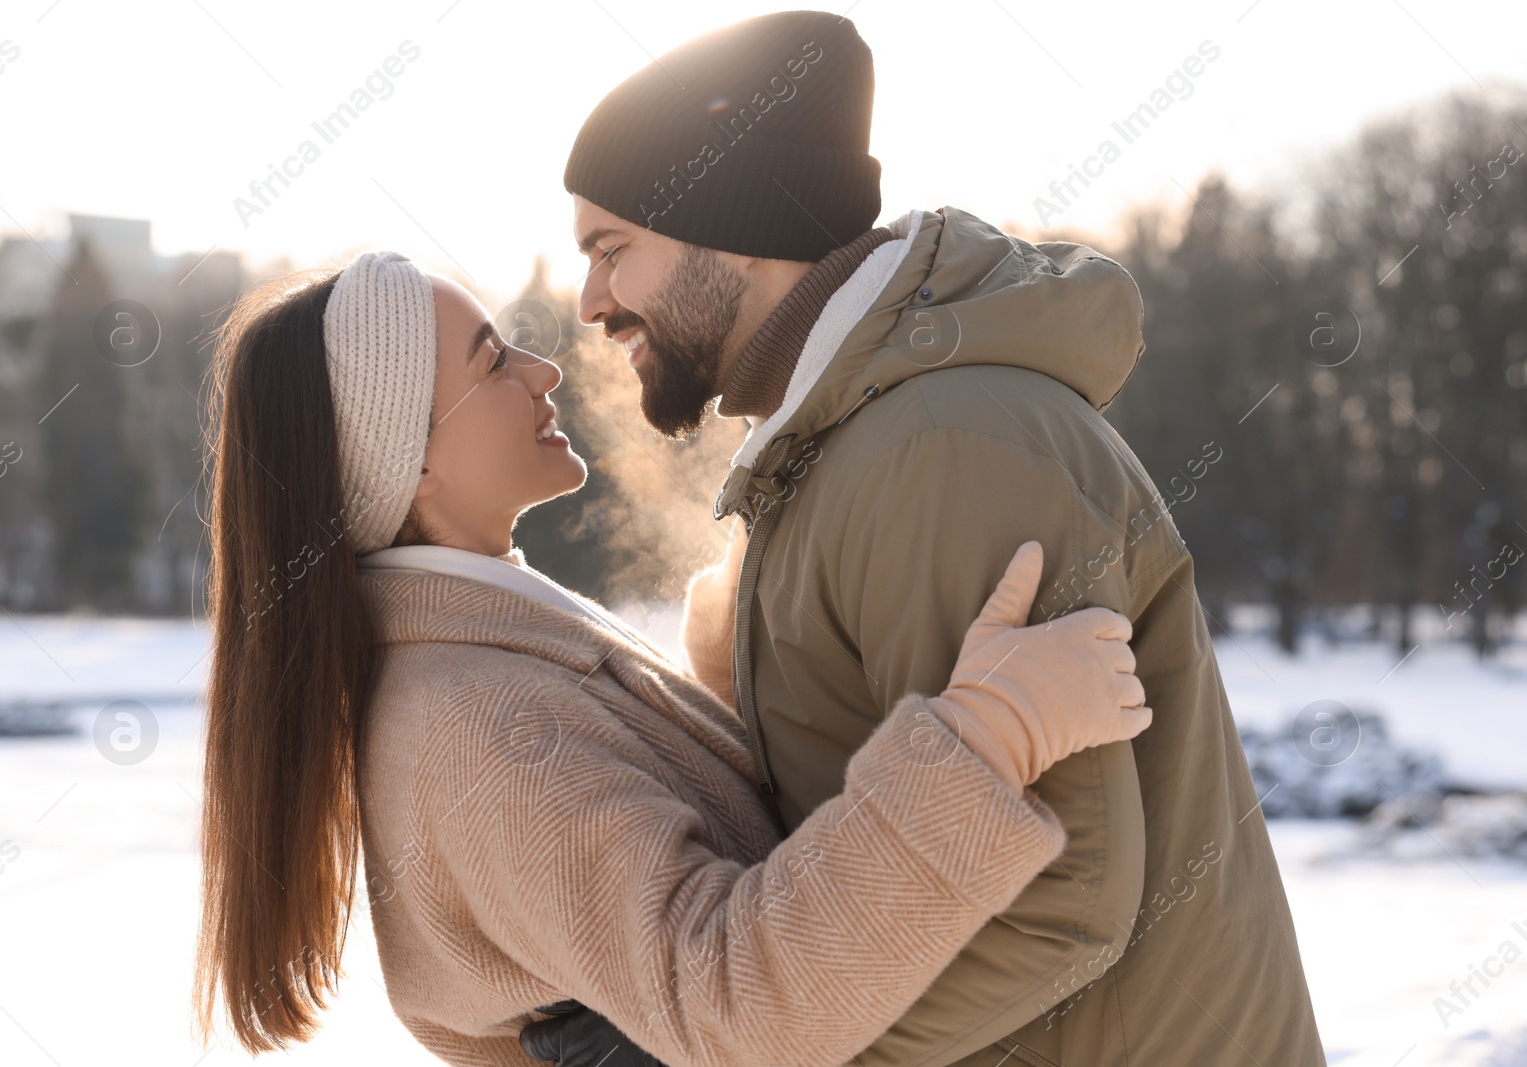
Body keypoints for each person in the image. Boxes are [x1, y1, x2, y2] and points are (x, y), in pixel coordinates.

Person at [545, 9, 1328, 1066]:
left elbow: (1055, 899)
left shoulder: (943, 444)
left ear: (728, 226)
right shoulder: (845, 447)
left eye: (610, 249)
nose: (590, 299)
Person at [190, 250, 1152, 1066]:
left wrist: (731, 679)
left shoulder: (483, 647)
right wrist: (994, 733)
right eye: (492, 365)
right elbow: (730, 996)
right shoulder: (469, 723)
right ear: (411, 460)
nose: (543, 370)